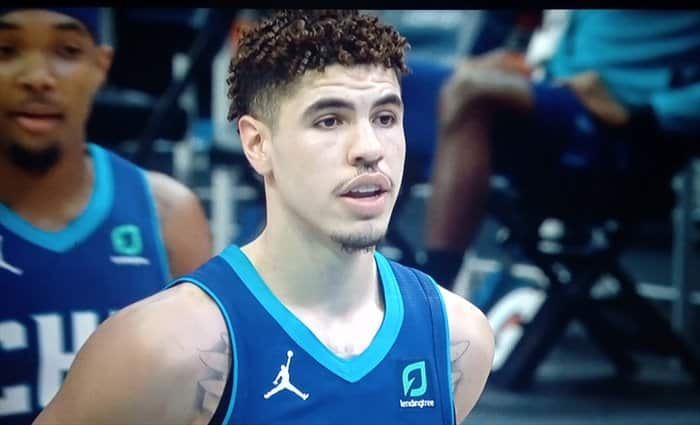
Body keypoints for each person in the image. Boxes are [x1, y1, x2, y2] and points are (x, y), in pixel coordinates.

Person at [33, 9, 495, 425]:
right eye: (329, 120)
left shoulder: (458, 339)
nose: (370, 149)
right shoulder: (165, 348)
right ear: (257, 144)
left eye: (385, 118)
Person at [0, 7, 212, 424]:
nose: (38, 77)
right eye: (6, 50)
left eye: (67, 50)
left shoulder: (167, 214)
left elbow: (210, 402)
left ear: (100, 65)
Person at [420, 10, 700, 289]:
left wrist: (655, 114)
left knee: (470, 91)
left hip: (618, 127)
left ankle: (435, 290)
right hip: (556, 90)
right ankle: (394, 280)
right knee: (401, 74)